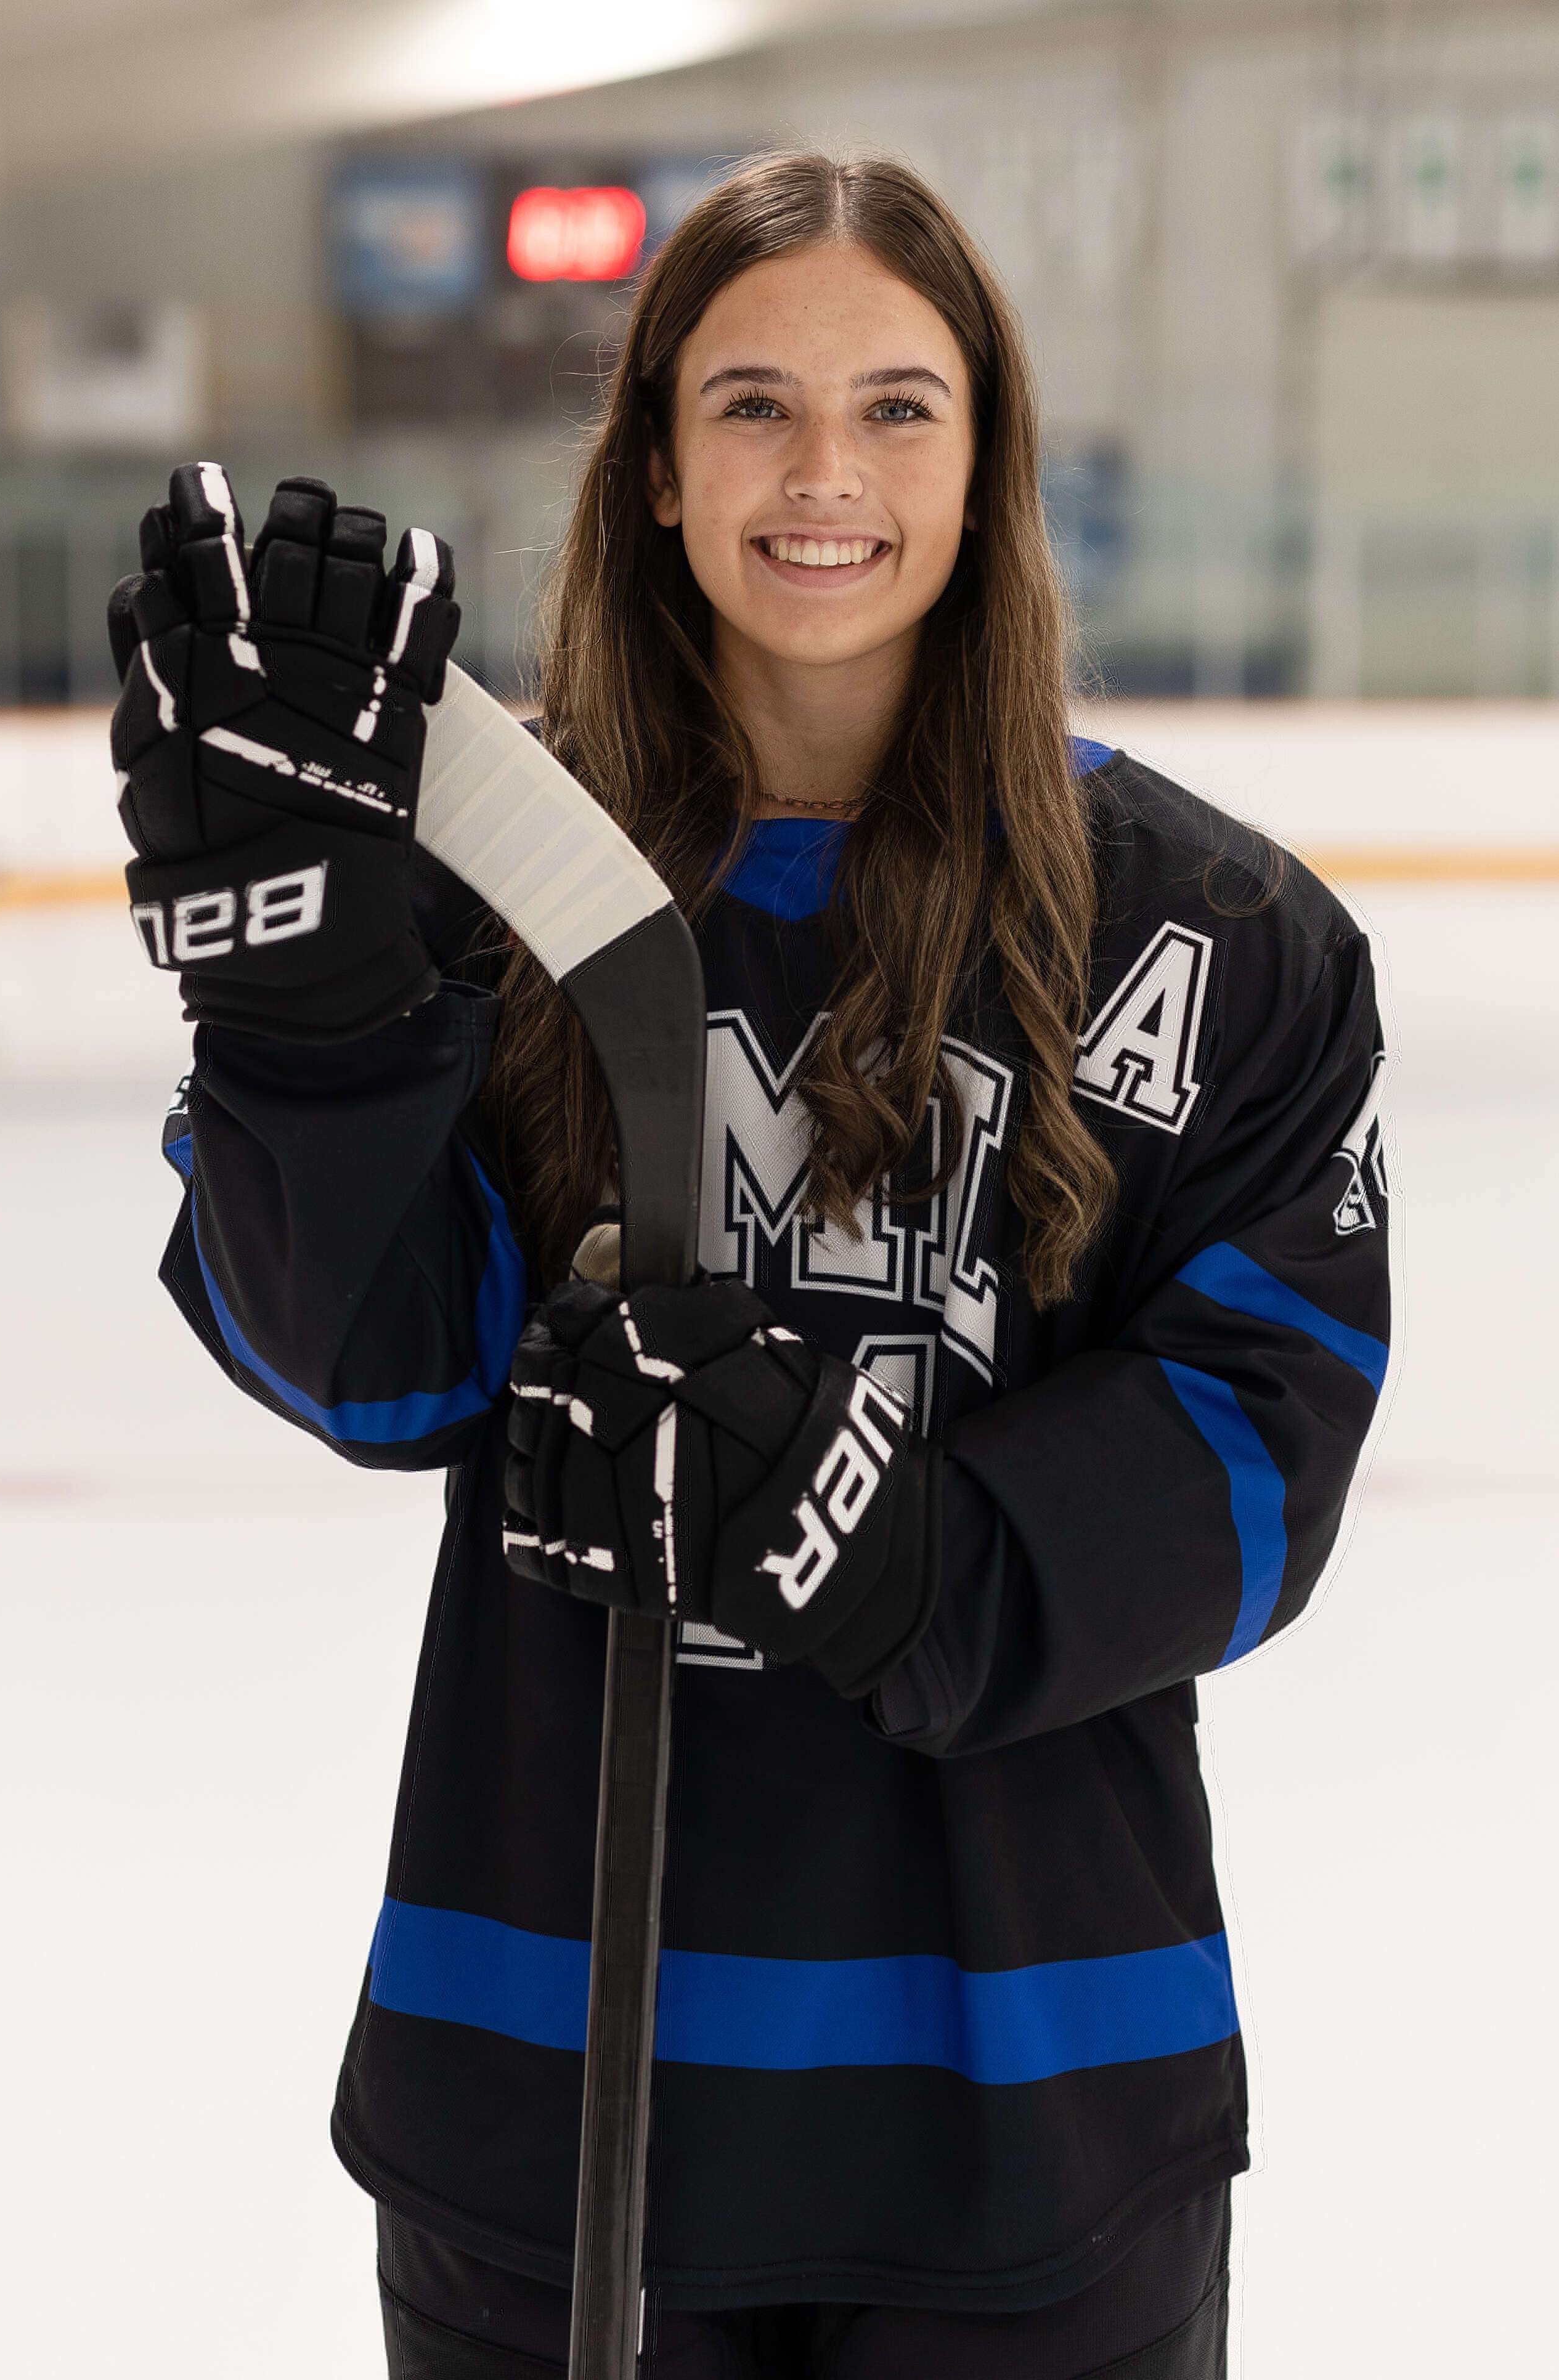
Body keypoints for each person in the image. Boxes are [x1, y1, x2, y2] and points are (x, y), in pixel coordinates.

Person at [107, 152, 1390, 2380]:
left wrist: (878, 1546)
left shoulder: (1225, 935)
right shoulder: (491, 885)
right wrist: (304, 1012)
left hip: (1034, 2092)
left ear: (987, 461)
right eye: (753, 407)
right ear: (656, 469)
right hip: (549, 2070)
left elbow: (1269, 1450)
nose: (825, 474)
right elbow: (378, 1372)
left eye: (897, 407)